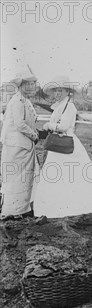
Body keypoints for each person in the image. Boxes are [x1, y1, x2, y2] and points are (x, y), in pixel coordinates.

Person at [33, 76, 92, 218]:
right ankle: (53, 207)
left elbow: (64, 127)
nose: (57, 94)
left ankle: (75, 206)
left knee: (71, 175)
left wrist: (49, 125)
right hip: (56, 145)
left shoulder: (69, 106)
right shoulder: (59, 106)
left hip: (66, 142)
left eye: (60, 91)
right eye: (55, 91)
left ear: (68, 92)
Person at [0, 67, 39, 220]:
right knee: (16, 177)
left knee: (23, 177)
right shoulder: (17, 101)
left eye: (33, 84)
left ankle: (21, 208)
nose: (31, 87)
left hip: (23, 145)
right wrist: (34, 135)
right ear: (20, 85)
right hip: (17, 146)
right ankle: (12, 210)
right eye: (28, 84)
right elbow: (20, 124)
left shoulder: (24, 100)